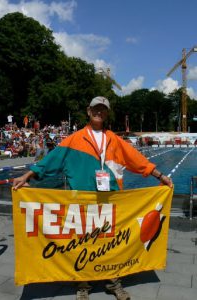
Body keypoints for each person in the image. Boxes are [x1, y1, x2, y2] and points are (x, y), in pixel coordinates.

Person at [13, 96, 172, 300]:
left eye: (103, 109)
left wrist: (160, 176)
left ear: (106, 113)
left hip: (109, 199)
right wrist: (26, 176)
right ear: (89, 111)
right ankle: (83, 284)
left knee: (111, 241)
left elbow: (137, 160)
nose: (99, 112)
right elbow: (51, 161)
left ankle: (113, 282)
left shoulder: (113, 139)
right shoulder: (75, 138)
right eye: (96, 109)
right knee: (83, 241)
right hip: (82, 200)